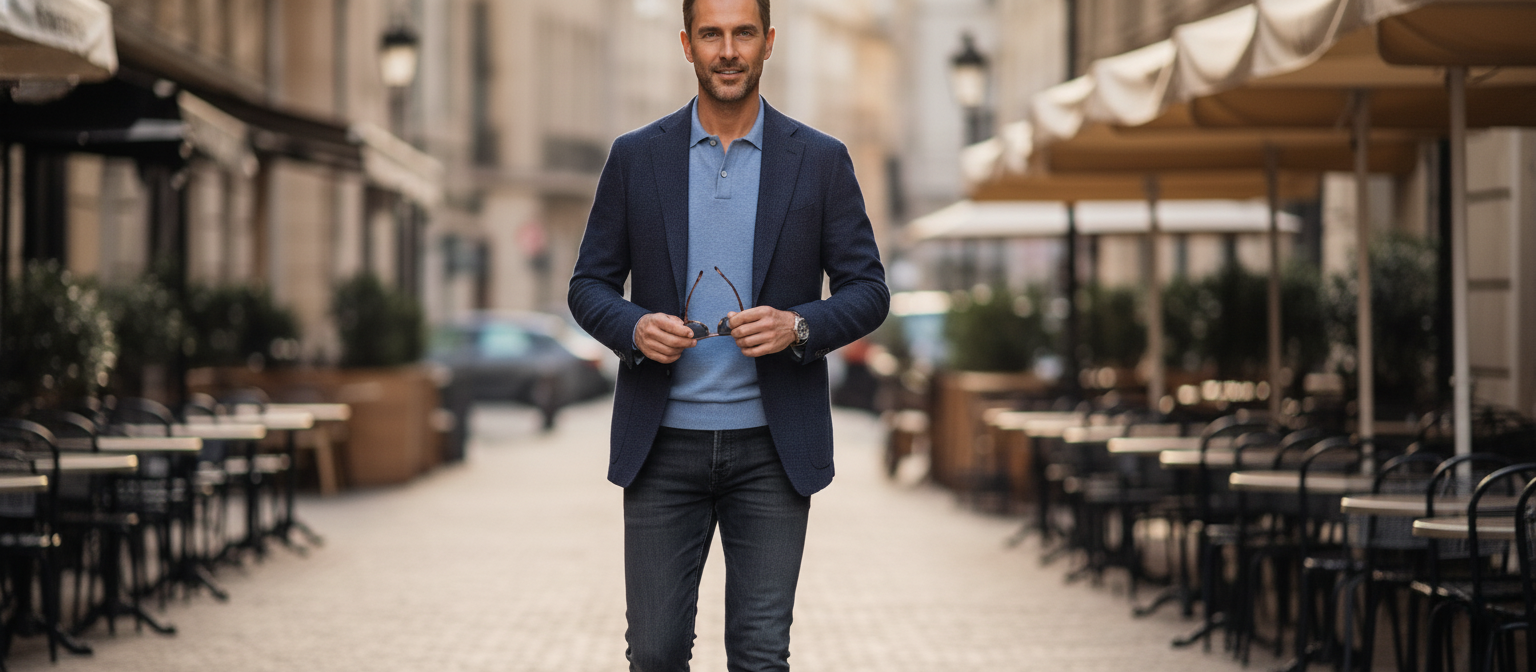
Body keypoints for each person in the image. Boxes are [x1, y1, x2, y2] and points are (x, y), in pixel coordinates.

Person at [567, 0, 888, 668]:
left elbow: (868, 291)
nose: (728, 50)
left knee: (761, 654)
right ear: (687, 44)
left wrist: (799, 325)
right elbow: (588, 286)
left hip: (774, 449)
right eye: (712, 34)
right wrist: (633, 327)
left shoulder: (821, 160)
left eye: (743, 33)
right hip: (661, 448)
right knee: (654, 654)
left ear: (768, 41)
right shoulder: (636, 157)